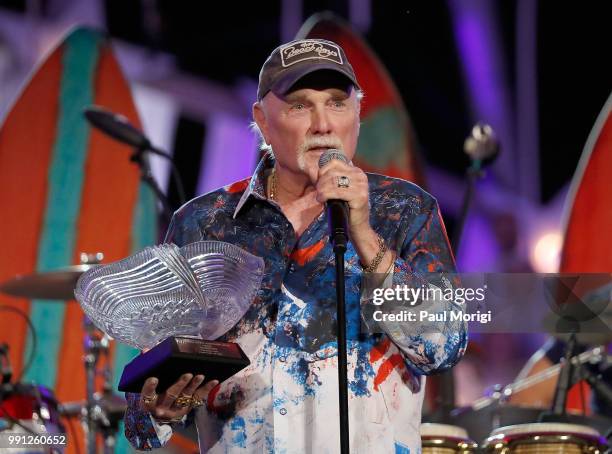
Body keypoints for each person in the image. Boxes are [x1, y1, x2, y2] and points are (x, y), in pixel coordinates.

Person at [123, 38, 467, 453]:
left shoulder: (404, 210)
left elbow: (446, 346)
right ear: (263, 121)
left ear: (358, 115)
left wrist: (363, 233)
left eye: (338, 102)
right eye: (300, 105)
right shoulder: (203, 224)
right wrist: (158, 410)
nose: (323, 124)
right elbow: (141, 421)